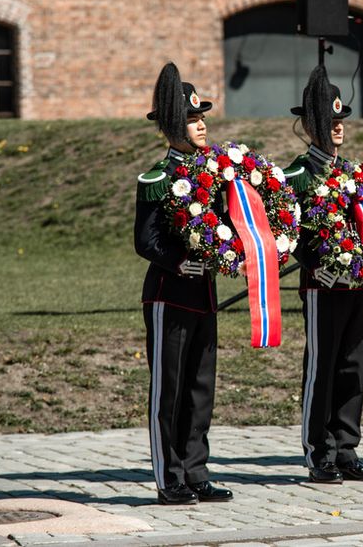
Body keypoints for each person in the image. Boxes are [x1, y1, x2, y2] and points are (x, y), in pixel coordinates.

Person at [134, 62, 234, 504]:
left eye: (202, 117)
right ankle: (168, 477)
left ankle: (196, 471)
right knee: (170, 388)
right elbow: (146, 239)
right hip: (169, 294)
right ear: (174, 125)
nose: (202, 125)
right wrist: (179, 263)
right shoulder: (159, 178)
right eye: (193, 119)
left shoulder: (214, 174)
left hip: (204, 294)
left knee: (199, 389)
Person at [283, 64, 363, 484]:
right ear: (308, 126)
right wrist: (316, 267)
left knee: (352, 366)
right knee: (322, 367)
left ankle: (346, 448)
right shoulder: (298, 175)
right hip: (323, 287)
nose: (338, 128)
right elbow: (290, 231)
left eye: (341, 120)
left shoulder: (354, 174)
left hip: (357, 285)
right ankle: (318, 450)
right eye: (329, 121)